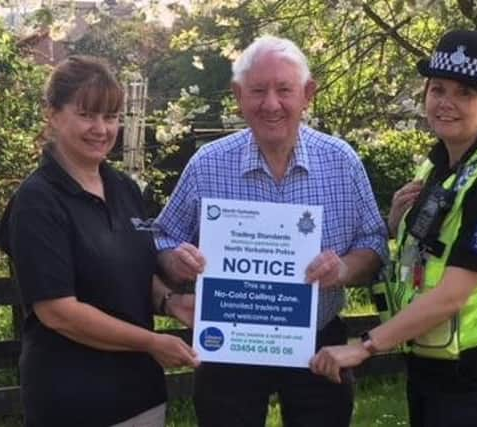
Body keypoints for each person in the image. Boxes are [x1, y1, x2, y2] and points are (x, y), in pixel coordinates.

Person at [153, 35, 388, 427]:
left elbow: (374, 242)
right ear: (238, 95)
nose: (271, 104)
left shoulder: (341, 161)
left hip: (317, 343)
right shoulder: (208, 164)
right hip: (230, 344)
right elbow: (162, 237)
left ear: (307, 94)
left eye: (284, 90)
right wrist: (175, 261)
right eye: (258, 91)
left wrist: (344, 270)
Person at [310, 29, 477, 427]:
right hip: (432, 357)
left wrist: (365, 347)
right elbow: (430, 255)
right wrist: (399, 224)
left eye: (464, 93)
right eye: (438, 89)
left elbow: (453, 295)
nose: (446, 103)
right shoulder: (439, 166)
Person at [0, 56, 199, 427]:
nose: (101, 129)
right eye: (87, 114)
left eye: (110, 117)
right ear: (54, 114)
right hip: (74, 402)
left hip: (141, 395)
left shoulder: (123, 187)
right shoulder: (38, 200)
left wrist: (170, 302)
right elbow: (59, 312)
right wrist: (152, 343)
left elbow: (132, 269)